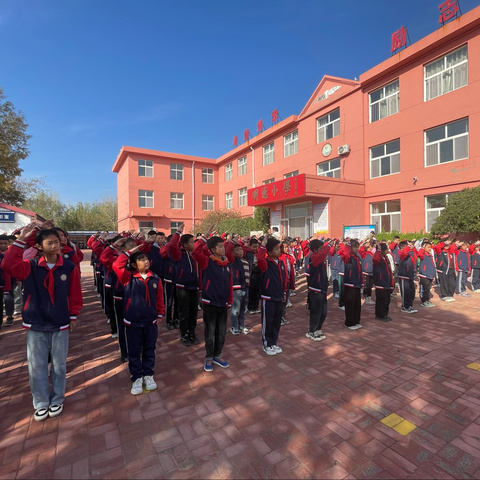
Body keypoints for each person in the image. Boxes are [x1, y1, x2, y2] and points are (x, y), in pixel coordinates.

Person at [1, 223, 83, 421]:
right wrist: (21, 240)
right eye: (50, 243)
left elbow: (75, 294)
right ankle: (40, 402)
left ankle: (57, 399)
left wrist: (73, 315)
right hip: (36, 324)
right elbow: (8, 266)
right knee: (37, 366)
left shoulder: (69, 267)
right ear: (39, 246)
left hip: (60, 323)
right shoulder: (30, 266)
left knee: (59, 365)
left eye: (57, 242)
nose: (56, 246)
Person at [113, 244, 165, 395]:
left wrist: (160, 313)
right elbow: (117, 264)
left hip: (150, 321)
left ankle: (148, 374)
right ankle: (136, 376)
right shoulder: (128, 278)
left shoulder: (154, 278)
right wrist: (129, 252)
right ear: (134, 265)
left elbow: (160, 297)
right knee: (134, 351)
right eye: (141, 260)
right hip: (133, 322)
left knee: (150, 349)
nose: (146, 261)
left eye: (147, 259)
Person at [193, 227, 232, 372]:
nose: (223, 248)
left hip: (223, 303)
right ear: (213, 250)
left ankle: (218, 355)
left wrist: (229, 300)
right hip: (210, 302)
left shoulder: (226, 264)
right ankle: (209, 357)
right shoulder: (207, 262)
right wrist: (205, 236)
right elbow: (197, 250)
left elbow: (229, 284)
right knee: (210, 332)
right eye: (220, 246)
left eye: (223, 245)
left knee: (221, 332)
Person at [164, 224, 200, 346]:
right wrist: (178, 232)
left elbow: (202, 247)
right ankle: (184, 335)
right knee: (184, 313)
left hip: (194, 288)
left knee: (193, 313)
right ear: (185, 245)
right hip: (183, 288)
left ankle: (192, 333)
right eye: (192, 242)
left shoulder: (194, 256)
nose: (194, 244)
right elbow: (172, 245)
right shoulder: (179, 255)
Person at [257, 236, 287, 355]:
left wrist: (284, 292)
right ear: (269, 252)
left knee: (276, 321)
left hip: (278, 296)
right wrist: (263, 246)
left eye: (279, 248)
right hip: (268, 297)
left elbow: (283, 279)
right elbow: (259, 258)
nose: (278, 251)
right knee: (268, 321)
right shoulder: (266, 263)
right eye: (275, 249)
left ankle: (274, 342)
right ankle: (267, 344)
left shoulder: (280, 262)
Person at [305, 239, 331, 341]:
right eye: (320, 249)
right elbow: (324, 253)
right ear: (315, 250)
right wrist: (328, 245)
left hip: (322, 288)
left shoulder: (319, 257)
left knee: (323, 312)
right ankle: (311, 331)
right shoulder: (313, 257)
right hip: (315, 288)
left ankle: (318, 329)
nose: (322, 251)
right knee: (316, 312)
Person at [226, 242, 250, 335]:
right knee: (235, 310)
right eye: (237, 250)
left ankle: (241, 325)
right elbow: (227, 252)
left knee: (242, 309)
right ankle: (234, 326)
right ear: (233, 253)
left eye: (241, 250)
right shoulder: (232, 260)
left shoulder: (244, 261)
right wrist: (232, 242)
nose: (240, 251)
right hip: (236, 288)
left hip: (244, 287)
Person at [339, 240, 363, 330]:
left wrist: (361, 282)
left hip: (357, 283)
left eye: (357, 247)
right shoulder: (347, 257)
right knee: (350, 304)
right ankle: (349, 322)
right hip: (349, 283)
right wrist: (348, 245)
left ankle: (356, 321)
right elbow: (343, 252)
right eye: (354, 247)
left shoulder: (357, 257)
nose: (357, 249)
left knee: (357, 304)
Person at [372, 243, 394, 321]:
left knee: (387, 300)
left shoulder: (386, 258)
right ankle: (380, 315)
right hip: (380, 283)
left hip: (387, 282)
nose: (388, 250)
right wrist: (378, 250)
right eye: (386, 249)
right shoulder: (377, 259)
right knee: (381, 300)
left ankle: (385, 314)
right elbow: (375, 259)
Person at [417, 241, 436, 307]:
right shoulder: (422, 255)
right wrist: (422, 248)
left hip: (430, 275)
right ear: (424, 247)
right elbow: (419, 253)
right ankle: (423, 301)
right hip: (424, 275)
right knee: (423, 289)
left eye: (430, 247)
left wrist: (433, 273)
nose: (429, 249)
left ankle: (427, 300)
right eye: (428, 247)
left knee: (428, 289)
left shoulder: (430, 255)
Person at [246, 238, 262, 315]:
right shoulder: (248, 254)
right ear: (250, 246)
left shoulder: (258, 253)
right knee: (251, 292)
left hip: (258, 274)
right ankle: (250, 307)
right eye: (253, 247)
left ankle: (256, 307)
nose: (255, 248)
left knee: (257, 291)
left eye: (256, 247)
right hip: (251, 275)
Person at [359, 240, 375, 306]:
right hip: (366, 272)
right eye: (370, 246)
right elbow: (361, 250)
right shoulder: (364, 254)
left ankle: (369, 298)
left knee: (370, 286)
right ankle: (366, 298)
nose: (371, 247)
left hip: (371, 272)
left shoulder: (372, 254)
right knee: (366, 286)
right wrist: (365, 244)